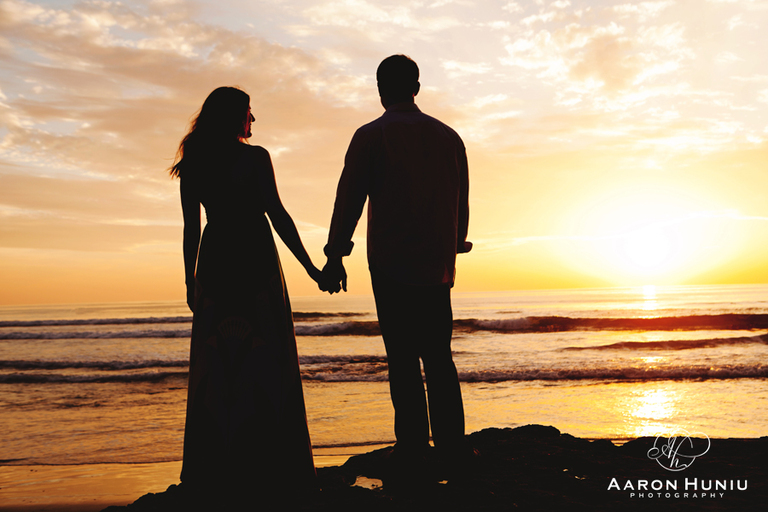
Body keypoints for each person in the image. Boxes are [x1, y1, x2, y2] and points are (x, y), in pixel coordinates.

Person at [321, 55, 473, 484]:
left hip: (389, 261)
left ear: (381, 89)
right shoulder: (448, 137)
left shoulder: (372, 135)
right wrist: (455, 242)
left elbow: (349, 198)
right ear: (417, 88)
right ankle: (451, 444)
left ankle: (412, 446)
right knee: (439, 356)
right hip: (437, 263)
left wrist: (336, 254)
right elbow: (461, 200)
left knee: (402, 357)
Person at [170, 86, 320, 504]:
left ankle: (215, 467)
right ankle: (272, 464)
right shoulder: (256, 158)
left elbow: (191, 229)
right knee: (265, 356)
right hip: (255, 261)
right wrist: (310, 269)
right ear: (236, 117)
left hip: (216, 264)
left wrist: (189, 280)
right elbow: (277, 214)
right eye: (250, 113)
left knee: (218, 365)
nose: (253, 120)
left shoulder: (195, 162)